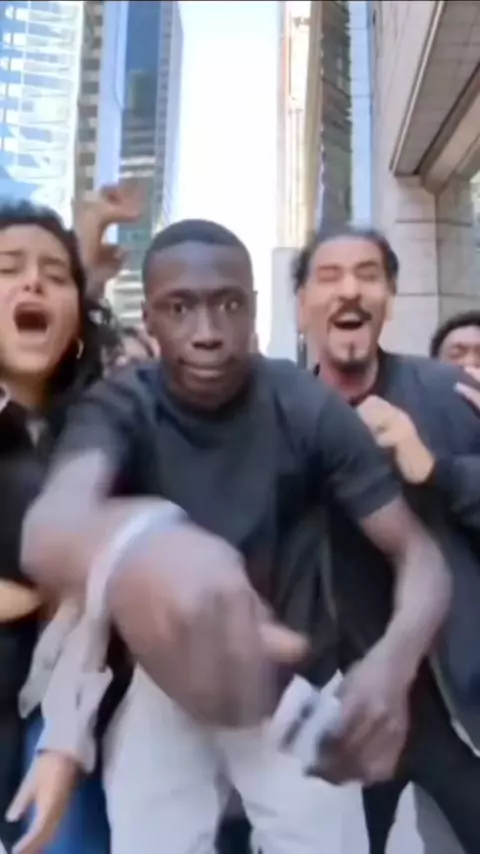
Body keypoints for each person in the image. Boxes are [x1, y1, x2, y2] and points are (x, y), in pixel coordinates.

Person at [17, 219, 448, 854]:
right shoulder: (122, 404)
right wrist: (138, 542)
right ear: (150, 318)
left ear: (254, 308)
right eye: (180, 308)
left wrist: (393, 662)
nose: (207, 331)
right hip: (166, 685)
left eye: (228, 304)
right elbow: (52, 524)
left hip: (292, 683)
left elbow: (419, 553)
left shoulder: (304, 404)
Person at [295, 222, 480, 853]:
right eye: (329, 277)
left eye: (368, 275)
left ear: (389, 300)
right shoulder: (278, 409)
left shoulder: (447, 393)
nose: (350, 290)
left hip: (451, 698)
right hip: (339, 704)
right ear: (302, 304)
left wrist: (435, 470)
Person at [0, 201, 111, 854]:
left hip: (68, 717)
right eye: (7, 268)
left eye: (55, 274)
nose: (33, 282)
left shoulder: (107, 429)